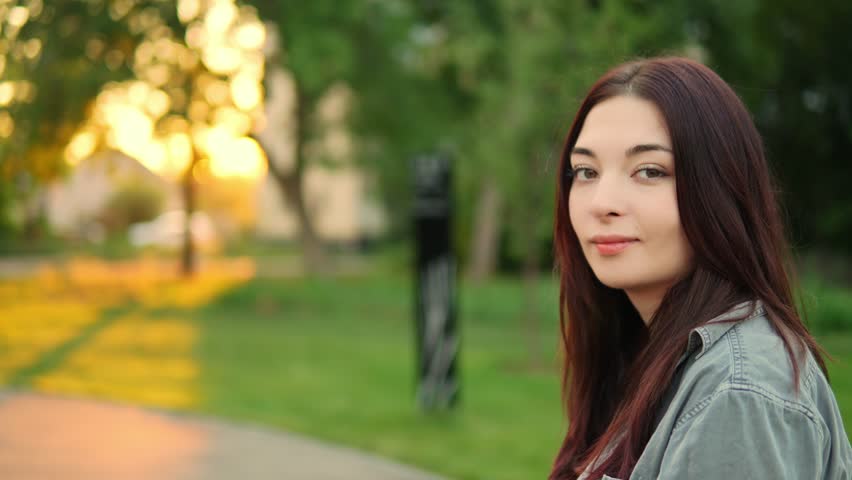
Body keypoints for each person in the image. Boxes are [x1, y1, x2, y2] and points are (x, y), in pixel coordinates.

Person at [549, 57, 852, 480]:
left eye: (650, 171)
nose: (602, 203)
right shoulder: (648, 353)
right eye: (586, 171)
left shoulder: (737, 391)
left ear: (719, 190)